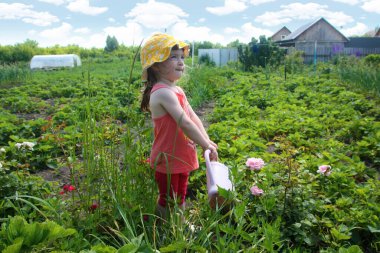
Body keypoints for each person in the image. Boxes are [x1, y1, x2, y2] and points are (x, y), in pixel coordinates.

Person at [140, 33, 218, 220]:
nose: (181, 61)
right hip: (167, 158)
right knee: (168, 199)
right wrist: (204, 145)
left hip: (181, 154)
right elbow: (184, 122)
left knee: (181, 193)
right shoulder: (162, 93)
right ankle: (161, 225)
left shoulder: (177, 90)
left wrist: (206, 141)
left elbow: (193, 117)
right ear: (156, 65)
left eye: (182, 56)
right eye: (173, 57)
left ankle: (178, 225)